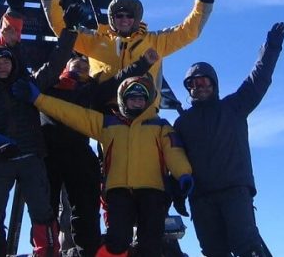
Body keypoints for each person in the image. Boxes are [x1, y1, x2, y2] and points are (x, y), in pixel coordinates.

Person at [13, 68, 194, 257]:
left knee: (150, 241)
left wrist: (183, 174)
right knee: (117, 240)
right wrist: (38, 99)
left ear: (147, 101)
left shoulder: (160, 126)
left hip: (153, 190)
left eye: (141, 98)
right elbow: (72, 114)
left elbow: (174, 152)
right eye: (132, 98)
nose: (137, 102)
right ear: (123, 100)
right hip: (119, 191)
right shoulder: (108, 124)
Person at [0, 8, 83, 257]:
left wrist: (69, 32)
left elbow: (55, 64)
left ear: (13, 63)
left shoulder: (28, 86)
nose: (2, 66)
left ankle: (47, 253)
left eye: (6, 61)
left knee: (42, 212)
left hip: (31, 159)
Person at [173, 23, 284, 257]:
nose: (199, 87)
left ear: (213, 84)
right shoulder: (183, 123)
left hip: (234, 192)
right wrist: (177, 194)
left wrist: (272, 47)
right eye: (193, 84)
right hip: (201, 199)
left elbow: (259, 78)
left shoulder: (234, 106)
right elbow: (175, 159)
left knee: (247, 248)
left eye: (204, 82)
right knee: (214, 252)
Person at [39, 0, 217, 91]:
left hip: (143, 112)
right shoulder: (94, 41)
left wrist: (204, 3)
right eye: (119, 15)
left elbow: (187, 32)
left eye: (130, 16)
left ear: (136, 18)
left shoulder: (155, 41)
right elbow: (62, 30)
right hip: (104, 113)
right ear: (112, 18)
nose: (124, 19)